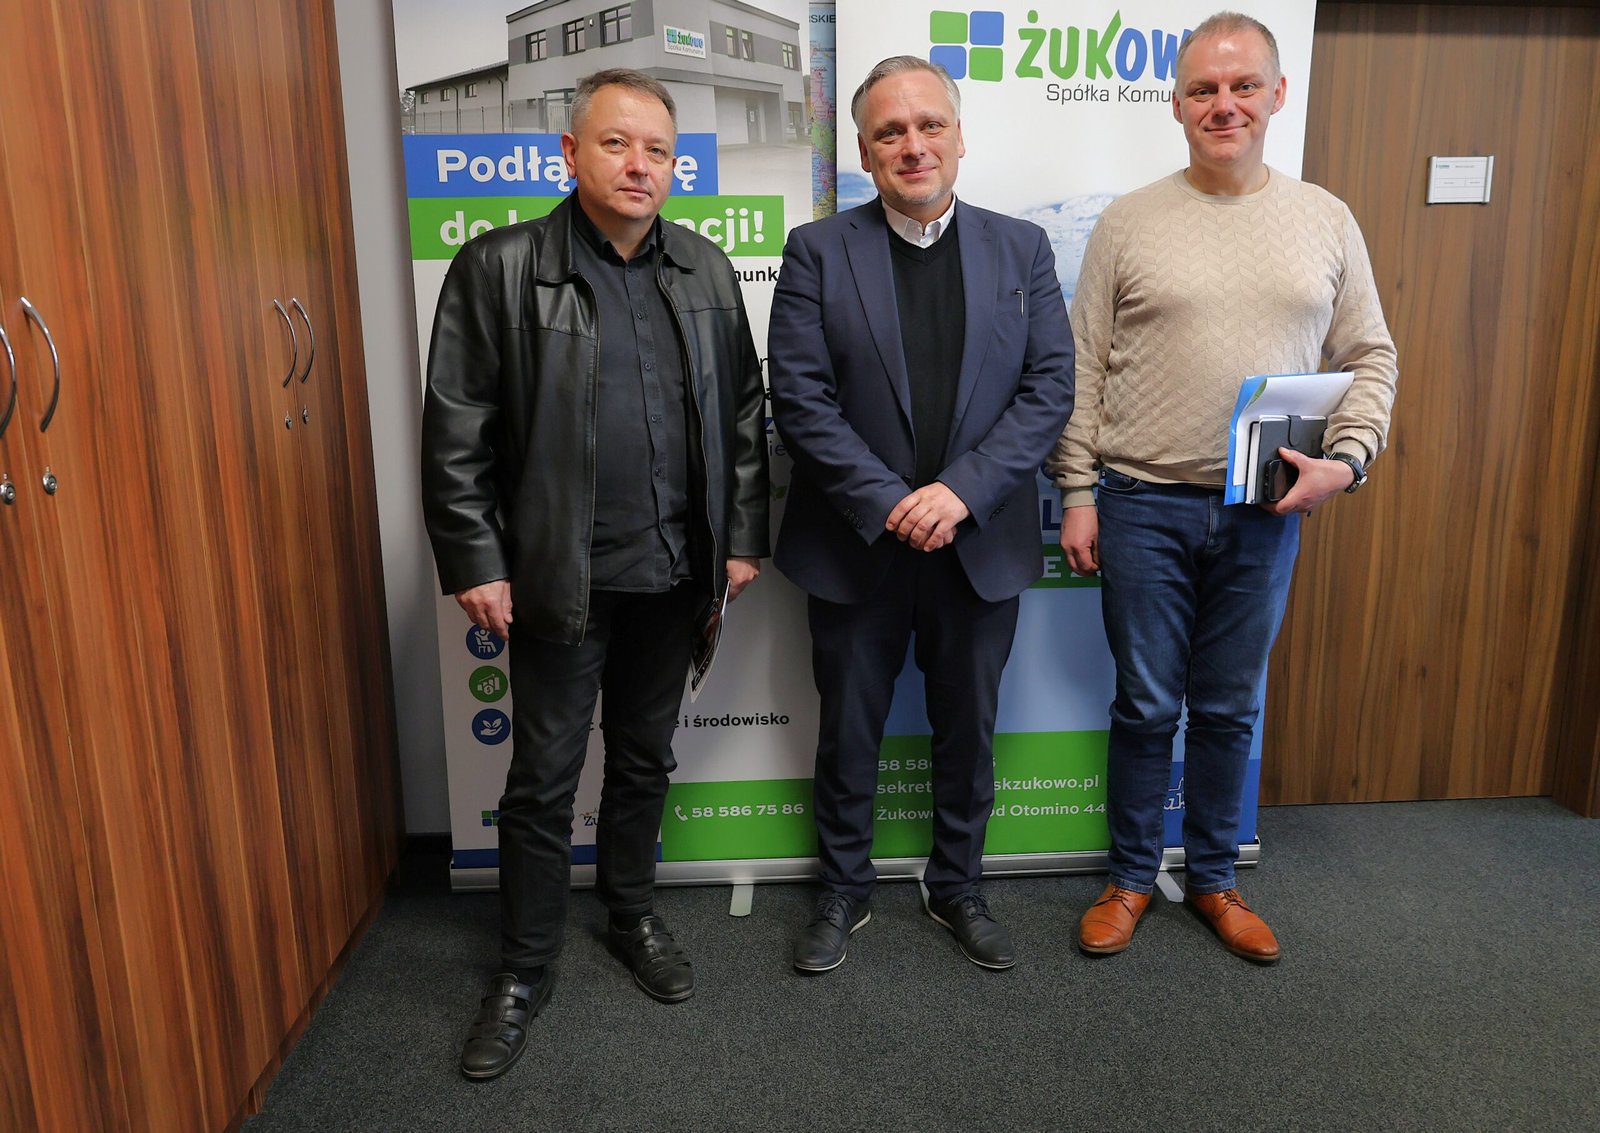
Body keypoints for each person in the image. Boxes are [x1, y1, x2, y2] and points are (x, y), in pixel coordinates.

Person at [420, 68, 769, 1079]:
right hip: (556, 580)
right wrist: (476, 559)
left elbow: (744, 416)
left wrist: (741, 538)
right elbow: (456, 428)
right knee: (541, 781)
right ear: (569, 154)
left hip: (675, 573)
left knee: (646, 758)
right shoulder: (499, 268)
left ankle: (631, 913)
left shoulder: (704, 270)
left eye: (657, 150)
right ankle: (523, 968)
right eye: (617, 144)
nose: (639, 166)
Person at [1047, 12, 1397, 963]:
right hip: (1140, 502)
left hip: (1265, 509)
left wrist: (1349, 459)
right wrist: (1076, 489)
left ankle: (1212, 877)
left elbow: (1370, 354)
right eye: (1203, 89)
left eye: (1244, 86)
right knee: (1144, 704)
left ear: (1278, 94)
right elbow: (1082, 366)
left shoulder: (1326, 218)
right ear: (1177, 105)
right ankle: (1129, 878)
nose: (1224, 104)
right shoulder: (1129, 220)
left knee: (1231, 706)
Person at [768, 56, 1075, 974]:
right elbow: (800, 398)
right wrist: (891, 501)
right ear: (864, 152)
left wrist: (961, 493)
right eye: (890, 132)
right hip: (855, 541)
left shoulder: (1022, 249)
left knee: (969, 732)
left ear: (959, 136)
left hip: (978, 543)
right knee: (848, 731)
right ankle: (843, 888)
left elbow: (1049, 388)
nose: (913, 145)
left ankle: (958, 884)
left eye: (929, 124)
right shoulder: (817, 251)